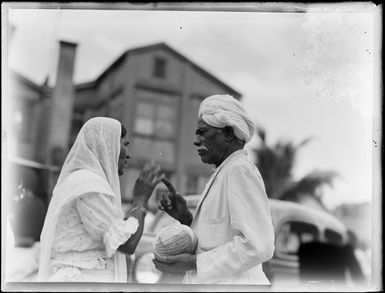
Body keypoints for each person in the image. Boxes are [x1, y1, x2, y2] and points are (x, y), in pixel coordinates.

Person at [154, 94, 275, 284]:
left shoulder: (239, 170)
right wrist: (185, 217)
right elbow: (219, 240)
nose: (196, 140)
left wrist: (194, 263)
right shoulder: (224, 171)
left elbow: (259, 246)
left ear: (227, 133)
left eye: (202, 132)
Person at [38, 117, 164, 282]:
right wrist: (141, 199)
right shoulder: (88, 184)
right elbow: (128, 244)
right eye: (124, 145)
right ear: (106, 146)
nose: (129, 155)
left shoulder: (82, 180)